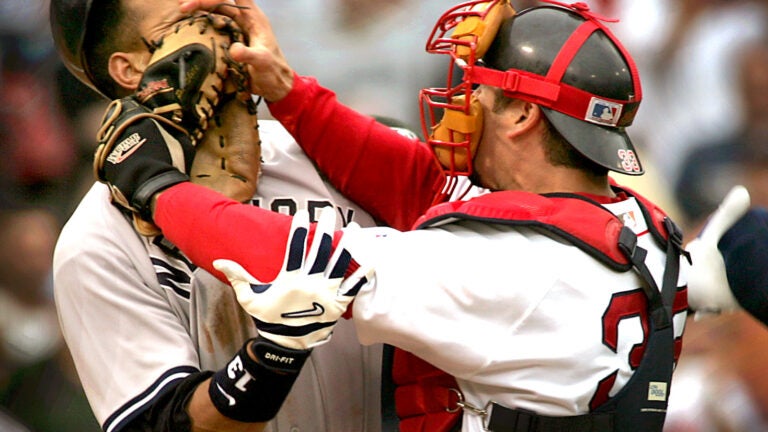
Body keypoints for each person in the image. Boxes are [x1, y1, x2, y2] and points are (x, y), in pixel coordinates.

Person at [100, 1, 694, 430]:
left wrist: (156, 184)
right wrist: (288, 88)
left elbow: (306, 266)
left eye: (478, 90)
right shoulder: (641, 224)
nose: (459, 101)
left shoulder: (507, 266)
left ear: (520, 116)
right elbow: (421, 185)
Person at [48, 1, 392, 431]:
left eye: (222, 15)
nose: (220, 35)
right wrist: (274, 357)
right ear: (129, 70)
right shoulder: (98, 241)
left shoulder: (329, 154)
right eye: (190, 24)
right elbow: (161, 421)